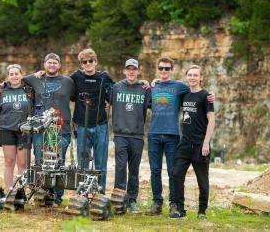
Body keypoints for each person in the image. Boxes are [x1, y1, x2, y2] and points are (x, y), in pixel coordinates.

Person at [146, 57, 214, 216]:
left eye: (167, 68)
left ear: (172, 70)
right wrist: (150, 82)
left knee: (173, 172)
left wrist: (211, 95)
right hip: (155, 134)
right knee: (156, 170)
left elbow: (199, 93)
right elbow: (148, 103)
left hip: (173, 135)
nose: (164, 71)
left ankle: (175, 205)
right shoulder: (152, 87)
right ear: (157, 69)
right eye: (161, 68)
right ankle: (157, 203)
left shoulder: (180, 87)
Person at [22, 53, 75, 206]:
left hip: (61, 127)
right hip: (40, 128)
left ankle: (57, 197)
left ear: (59, 65)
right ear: (44, 64)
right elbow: (20, 79)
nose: (52, 65)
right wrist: (34, 73)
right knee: (40, 159)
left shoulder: (68, 81)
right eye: (49, 62)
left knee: (58, 162)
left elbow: (76, 97)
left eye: (55, 63)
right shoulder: (36, 79)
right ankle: (43, 193)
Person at [170, 65, 215, 219]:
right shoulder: (184, 95)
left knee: (202, 180)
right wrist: (155, 81)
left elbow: (212, 120)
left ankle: (202, 211)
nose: (192, 78)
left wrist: (206, 143)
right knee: (176, 174)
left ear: (201, 77)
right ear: (186, 77)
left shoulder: (206, 96)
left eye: (195, 75)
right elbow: (168, 82)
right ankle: (179, 209)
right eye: (190, 75)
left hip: (200, 145)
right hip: (185, 144)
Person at [70, 48, 114, 192]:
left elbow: (118, 91)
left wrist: (143, 83)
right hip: (82, 126)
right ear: (81, 64)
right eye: (85, 62)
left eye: (91, 61)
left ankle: (100, 190)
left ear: (96, 62)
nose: (88, 64)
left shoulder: (104, 77)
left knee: (101, 162)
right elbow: (60, 83)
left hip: (100, 125)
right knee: (83, 161)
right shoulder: (75, 77)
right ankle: (83, 190)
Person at [110, 59, 151, 214]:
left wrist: (152, 82)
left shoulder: (144, 89)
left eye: (134, 69)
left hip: (137, 136)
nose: (131, 72)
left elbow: (156, 102)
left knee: (134, 170)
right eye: (129, 69)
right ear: (124, 71)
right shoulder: (116, 88)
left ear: (138, 71)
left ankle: (132, 201)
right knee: (120, 168)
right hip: (120, 134)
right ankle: (119, 201)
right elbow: (106, 103)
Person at [0, 64, 31, 194]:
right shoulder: (2, 91)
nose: (14, 76)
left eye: (17, 74)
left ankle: (21, 192)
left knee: (22, 163)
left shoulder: (28, 89)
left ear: (21, 75)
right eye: (11, 74)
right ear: (8, 76)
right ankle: (9, 191)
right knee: (9, 161)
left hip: (24, 130)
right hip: (7, 129)